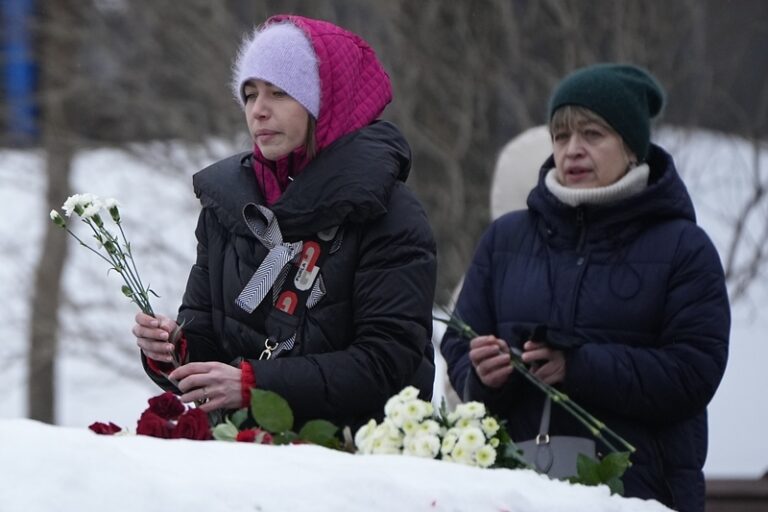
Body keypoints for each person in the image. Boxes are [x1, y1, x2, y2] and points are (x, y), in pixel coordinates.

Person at [441, 63, 729, 511]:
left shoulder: (684, 248)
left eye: (593, 135)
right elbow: (459, 345)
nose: (573, 150)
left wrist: (579, 367)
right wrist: (483, 376)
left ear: (631, 147)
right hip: (516, 494)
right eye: (561, 137)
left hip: (640, 496)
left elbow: (693, 372)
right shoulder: (505, 240)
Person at [131, 14, 437, 431]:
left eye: (279, 92)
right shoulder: (228, 207)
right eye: (250, 94)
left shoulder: (389, 214)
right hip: (248, 453)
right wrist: (173, 349)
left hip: (358, 457)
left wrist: (255, 384)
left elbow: (386, 363)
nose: (258, 110)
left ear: (326, 104)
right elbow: (208, 340)